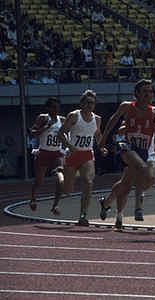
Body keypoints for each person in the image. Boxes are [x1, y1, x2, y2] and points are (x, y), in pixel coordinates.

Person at [97, 79, 155, 230]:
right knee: (141, 168)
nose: (148, 94)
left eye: (150, 92)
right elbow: (112, 121)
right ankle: (138, 208)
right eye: (145, 91)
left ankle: (107, 202)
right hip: (127, 147)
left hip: (144, 149)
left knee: (127, 184)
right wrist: (103, 139)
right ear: (137, 94)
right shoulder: (127, 106)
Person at [57, 90, 107, 226]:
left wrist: (102, 147)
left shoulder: (97, 119)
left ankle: (83, 215)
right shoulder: (74, 116)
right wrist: (69, 146)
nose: (90, 105)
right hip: (72, 154)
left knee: (88, 182)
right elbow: (60, 134)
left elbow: (98, 135)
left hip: (87, 154)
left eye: (93, 103)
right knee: (67, 190)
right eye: (88, 103)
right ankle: (59, 175)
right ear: (82, 103)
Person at [29, 97, 65, 215]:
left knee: (61, 179)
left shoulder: (62, 120)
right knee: (39, 181)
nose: (56, 109)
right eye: (53, 107)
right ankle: (33, 198)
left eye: (58, 107)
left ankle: (55, 205)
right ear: (48, 108)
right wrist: (46, 127)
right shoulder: (43, 118)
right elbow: (33, 134)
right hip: (43, 152)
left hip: (56, 153)